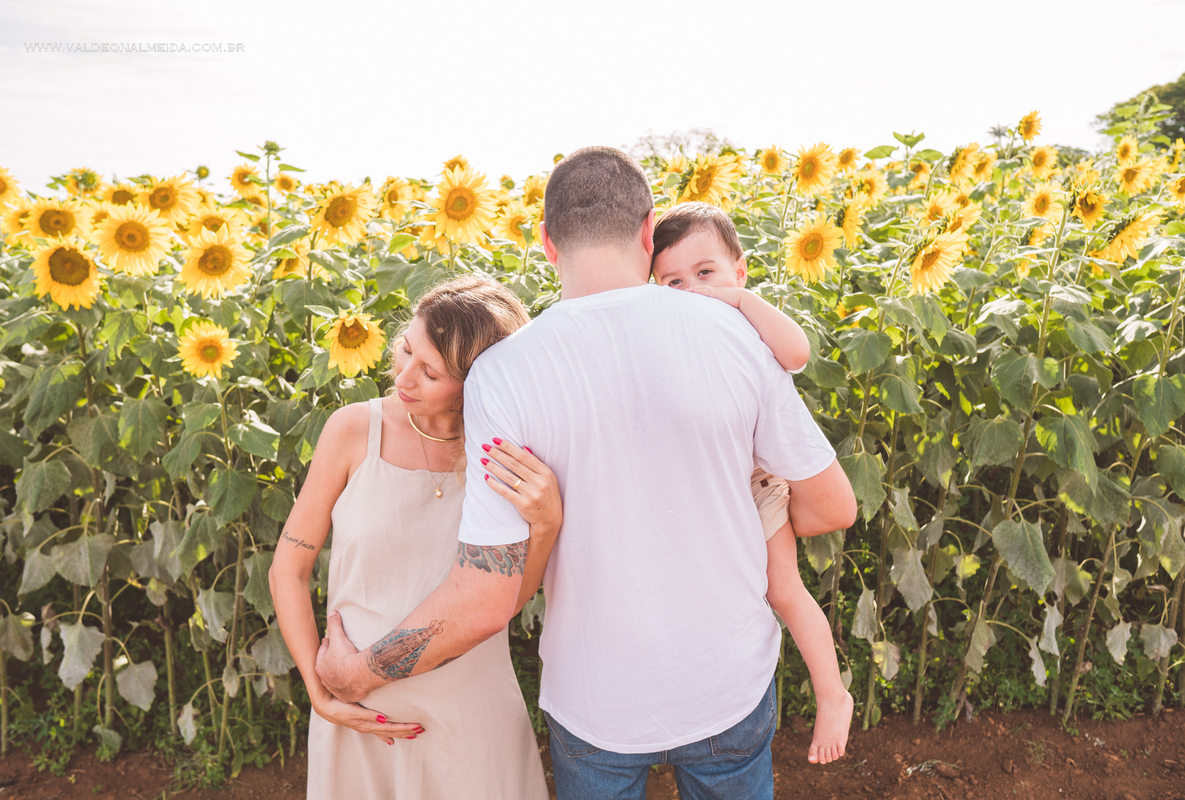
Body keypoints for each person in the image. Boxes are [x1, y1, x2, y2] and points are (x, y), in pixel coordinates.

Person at [316, 146, 857, 800]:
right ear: (647, 231)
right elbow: (832, 508)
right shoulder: (732, 333)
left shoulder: (504, 374)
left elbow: (485, 595)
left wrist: (360, 672)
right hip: (726, 680)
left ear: (547, 242)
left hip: (596, 699)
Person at [268, 275, 556, 799]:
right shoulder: (353, 430)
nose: (404, 375)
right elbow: (288, 568)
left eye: (430, 371)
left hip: (472, 716)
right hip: (362, 721)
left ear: (479, 381)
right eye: (406, 349)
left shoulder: (508, 452)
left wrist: (548, 522)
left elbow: (510, 598)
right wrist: (321, 693)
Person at [651, 201, 855, 765]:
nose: (692, 289)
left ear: (739, 269)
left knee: (783, 589)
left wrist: (741, 302)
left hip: (757, 485)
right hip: (702, 491)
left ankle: (832, 694)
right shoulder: (664, 330)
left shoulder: (744, 313)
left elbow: (797, 353)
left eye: (706, 272)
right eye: (673, 280)